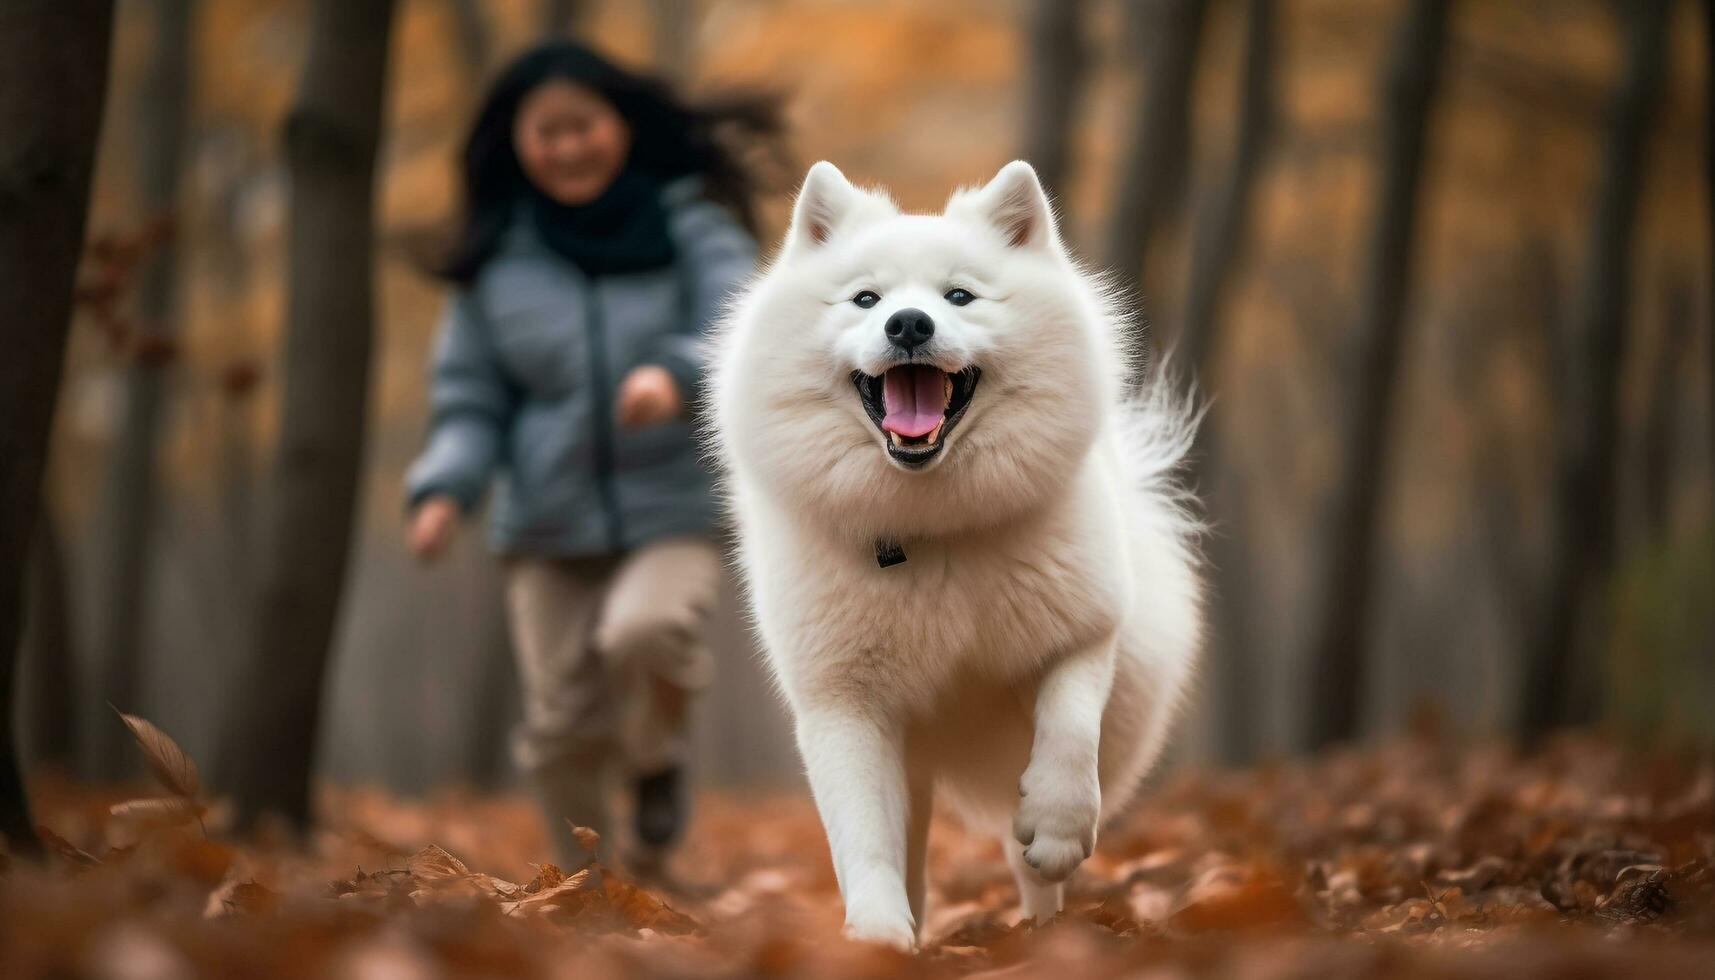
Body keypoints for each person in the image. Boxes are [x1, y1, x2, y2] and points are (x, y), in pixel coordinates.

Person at [404, 40, 783, 869]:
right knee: (559, 727)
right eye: (548, 132)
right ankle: (587, 892)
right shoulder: (496, 263)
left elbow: (740, 324)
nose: (568, 147)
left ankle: (656, 763)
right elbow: (471, 399)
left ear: (621, 126)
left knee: (645, 632)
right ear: (516, 144)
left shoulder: (692, 226)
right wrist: (443, 490)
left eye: (584, 126)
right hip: (545, 521)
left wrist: (674, 374)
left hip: (674, 503)